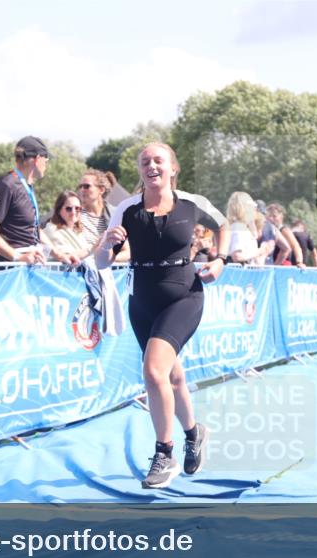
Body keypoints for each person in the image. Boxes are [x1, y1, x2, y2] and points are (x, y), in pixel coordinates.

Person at [95, 143, 230, 489]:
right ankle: (193, 432)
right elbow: (102, 262)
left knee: (154, 372)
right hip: (142, 300)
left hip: (184, 295)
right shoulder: (125, 208)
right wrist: (108, 244)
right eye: (145, 162)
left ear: (173, 167)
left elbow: (224, 225)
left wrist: (220, 259)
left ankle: (164, 453)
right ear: (139, 170)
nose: (151, 166)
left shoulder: (191, 203)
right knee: (171, 376)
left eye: (158, 160)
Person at [0, 136, 66, 265]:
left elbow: (34, 230)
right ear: (37, 159)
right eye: (46, 160)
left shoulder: (26, 185)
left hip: (29, 263)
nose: (46, 165)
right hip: (11, 268)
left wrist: (59, 255)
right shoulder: (6, 185)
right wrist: (17, 257)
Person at [42, 191, 92, 262]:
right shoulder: (51, 229)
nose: (73, 212)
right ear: (59, 210)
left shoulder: (79, 231)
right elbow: (67, 257)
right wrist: (93, 249)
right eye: (69, 208)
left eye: (77, 208)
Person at [225, 191, 270, 264]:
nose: (255, 210)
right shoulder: (239, 228)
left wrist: (251, 221)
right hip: (239, 273)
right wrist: (260, 251)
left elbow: (255, 236)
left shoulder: (240, 227)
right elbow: (237, 256)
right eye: (252, 207)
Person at [77, 168, 117, 249]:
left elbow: (127, 251)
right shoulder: (74, 213)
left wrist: (106, 259)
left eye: (86, 186)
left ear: (101, 190)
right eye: (80, 186)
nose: (81, 190)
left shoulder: (115, 214)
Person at [265, 203, 305, 267]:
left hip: (283, 266)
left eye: (274, 216)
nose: (271, 219)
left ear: (281, 217)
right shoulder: (269, 230)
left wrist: (299, 262)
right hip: (272, 265)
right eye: (269, 216)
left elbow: (296, 246)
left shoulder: (284, 231)